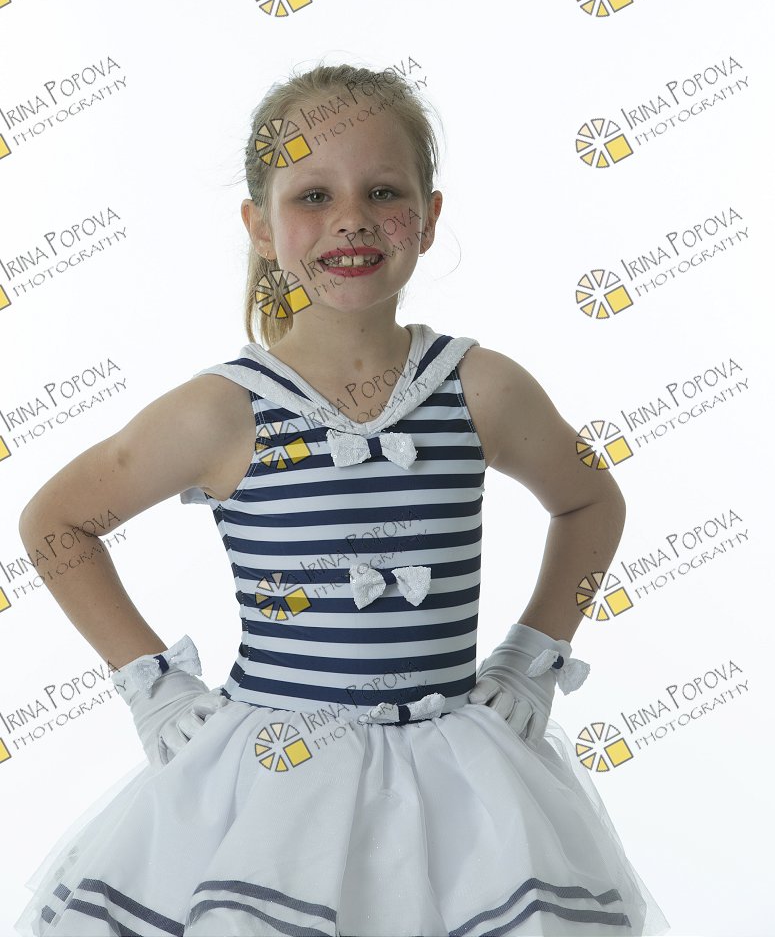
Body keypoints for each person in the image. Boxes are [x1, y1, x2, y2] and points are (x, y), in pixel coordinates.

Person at [13, 63, 670, 936]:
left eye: (383, 192)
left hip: (465, 797)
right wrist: (153, 686)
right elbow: (55, 524)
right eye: (313, 196)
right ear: (260, 225)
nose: (352, 218)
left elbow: (592, 502)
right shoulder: (223, 410)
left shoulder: (482, 388)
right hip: (275, 782)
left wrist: (534, 656)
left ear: (429, 217)